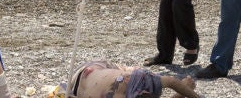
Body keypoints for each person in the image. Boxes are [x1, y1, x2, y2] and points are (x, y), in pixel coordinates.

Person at [48, 60, 202, 98]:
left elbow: (172, 82)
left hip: (86, 76)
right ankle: (187, 87)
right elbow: (172, 81)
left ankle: (186, 87)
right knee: (170, 81)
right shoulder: (137, 78)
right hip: (125, 78)